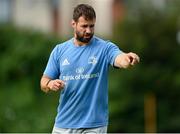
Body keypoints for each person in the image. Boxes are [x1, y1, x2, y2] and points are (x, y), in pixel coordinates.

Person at [40, 4, 140, 134]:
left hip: (94, 126)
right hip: (63, 124)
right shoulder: (59, 50)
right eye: (84, 26)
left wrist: (127, 58)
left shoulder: (104, 48)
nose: (88, 30)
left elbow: (119, 58)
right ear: (73, 24)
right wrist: (50, 83)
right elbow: (43, 82)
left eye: (91, 26)